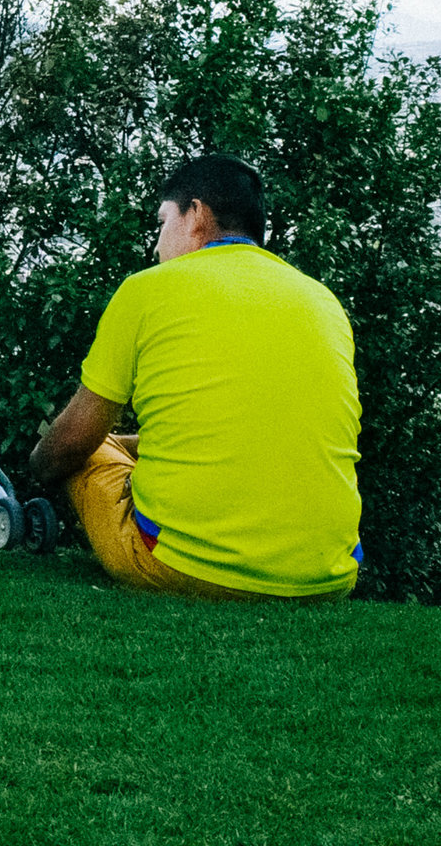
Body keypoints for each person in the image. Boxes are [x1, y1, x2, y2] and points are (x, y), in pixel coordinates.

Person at [28, 155, 361, 601]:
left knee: (85, 451)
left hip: (184, 567)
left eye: (163, 222)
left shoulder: (148, 289)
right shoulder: (323, 301)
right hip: (327, 576)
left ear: (196, 215)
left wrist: (35, 469)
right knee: (124, 440)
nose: (158, 244)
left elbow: (69, 445)